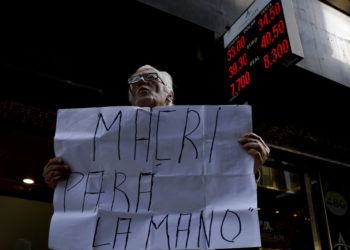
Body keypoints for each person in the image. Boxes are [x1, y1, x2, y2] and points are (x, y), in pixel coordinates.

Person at [43, 64, 270, 188]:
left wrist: (250, 167)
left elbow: (218, 187)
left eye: (151, 76)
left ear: (169, 94)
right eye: (135, 80)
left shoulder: (201, 136)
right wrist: (61, 182)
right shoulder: (104, 142)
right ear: (131, 99)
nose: (141, 81)